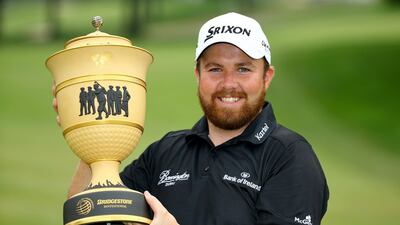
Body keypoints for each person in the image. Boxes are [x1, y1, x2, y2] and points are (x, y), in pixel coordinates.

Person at [55, 12, 329, 225]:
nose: (229, 83)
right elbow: (88, 213)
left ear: (266, 77)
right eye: (215, 69)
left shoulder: (290, 156)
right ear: (198, 75)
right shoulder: (164, 154)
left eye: (244, 69)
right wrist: (91, 131)